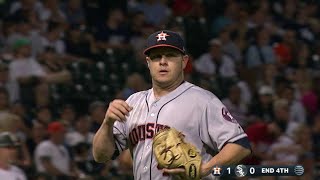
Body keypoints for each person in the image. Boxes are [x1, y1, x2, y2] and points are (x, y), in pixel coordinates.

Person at [93, 30, 251, 179]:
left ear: (184, 61)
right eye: (156, 57)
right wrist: (107, 123)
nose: (162, 62)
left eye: (170, 56)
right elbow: (101, 156)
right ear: (148, 63)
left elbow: (240, 145)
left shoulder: (202, 100)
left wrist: (206, 169)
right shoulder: (133, 102)